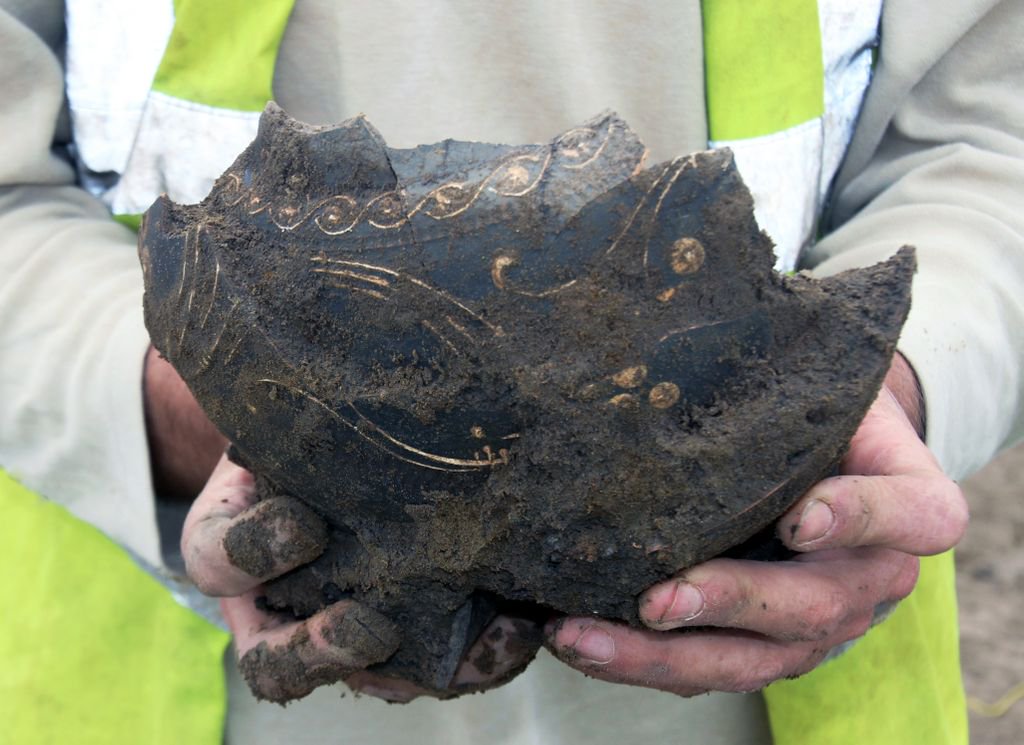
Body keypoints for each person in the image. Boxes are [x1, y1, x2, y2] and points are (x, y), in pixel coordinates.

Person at [1, 1, 1021, 743]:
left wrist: (889, 393)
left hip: (763, 676)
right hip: (165, 674)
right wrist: (182, 412)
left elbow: (992, 135)